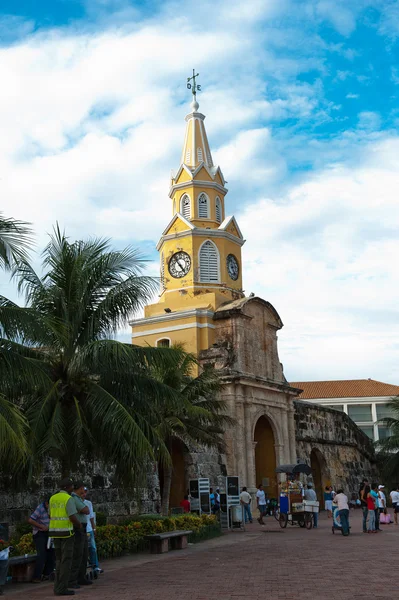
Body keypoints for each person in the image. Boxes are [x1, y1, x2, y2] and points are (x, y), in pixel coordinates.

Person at [49, 477, 80, 597]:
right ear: (67, 487)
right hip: (67, 533)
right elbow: (72, 517)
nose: (73, 488)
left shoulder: (52, 498)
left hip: (55, 533)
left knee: (58, 560)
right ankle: (62, 588)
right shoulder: (68, 498)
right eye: (72, 486)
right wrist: (78, 525)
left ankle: (57, 587)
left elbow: (50, 514)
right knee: (66, 561)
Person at [68, 481, 91, 590]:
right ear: (80, 488)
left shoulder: (78, 498)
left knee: (84, 553)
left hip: (82, 527)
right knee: (78, 554)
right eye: (83, 488)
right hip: (78, 528)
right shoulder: (74, 498)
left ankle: (81, 576)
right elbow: (85, 510)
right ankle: (73, 579)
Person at [28, 498, 55, 583]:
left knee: (51, 552)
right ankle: (36, 576)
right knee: (41, 554)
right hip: (39, 533)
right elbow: (30, 520)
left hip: (49, 533)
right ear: (47, 503)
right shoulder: (40, 508)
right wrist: (40, 526)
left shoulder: (52, 509)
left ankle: (47, 574)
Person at [84, 489, 103, 574]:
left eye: (85, 492)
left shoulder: (88, 503)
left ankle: (95, 566)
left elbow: (91, 517)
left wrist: (94, 528)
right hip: (80, 529)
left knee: (93, 548)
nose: (84, 494)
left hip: (88, 529)